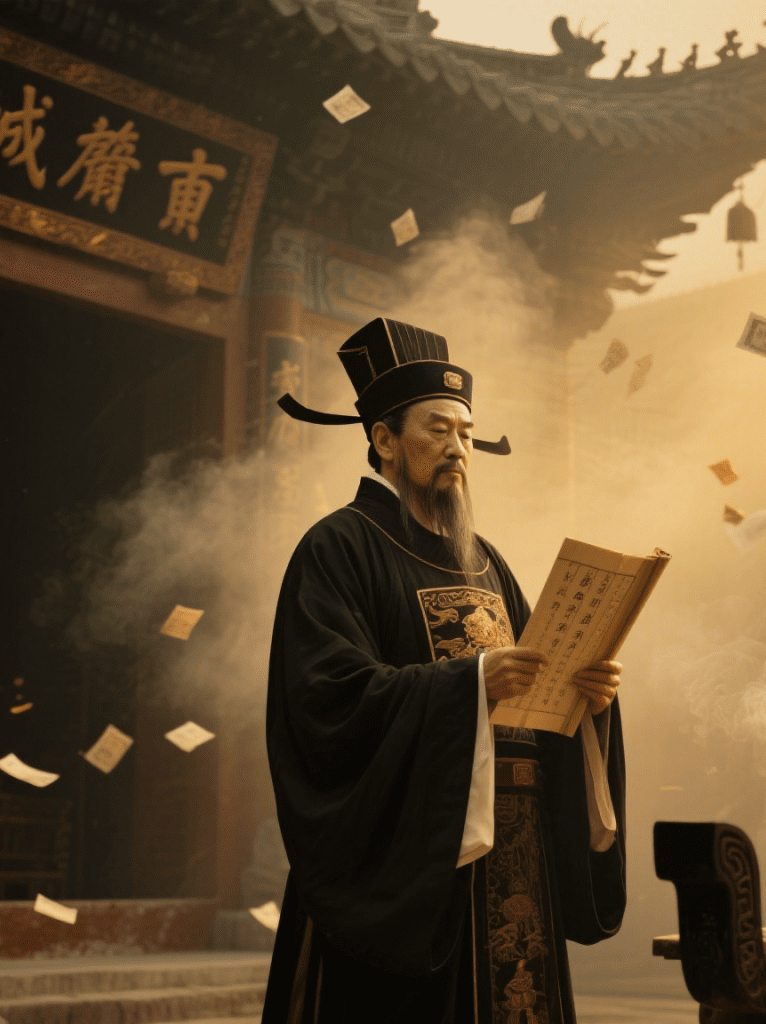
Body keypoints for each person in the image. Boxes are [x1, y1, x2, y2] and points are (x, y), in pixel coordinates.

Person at [262, 317, 626, 1023]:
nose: (458, 448)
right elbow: (325, 697)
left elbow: (536, 692)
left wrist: (590, 701)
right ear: (384, 441)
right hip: (411, 858)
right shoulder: (339, 546)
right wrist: (468, 684)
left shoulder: (486, 560)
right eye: (438, 430)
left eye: (466, 432)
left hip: (512, 846)